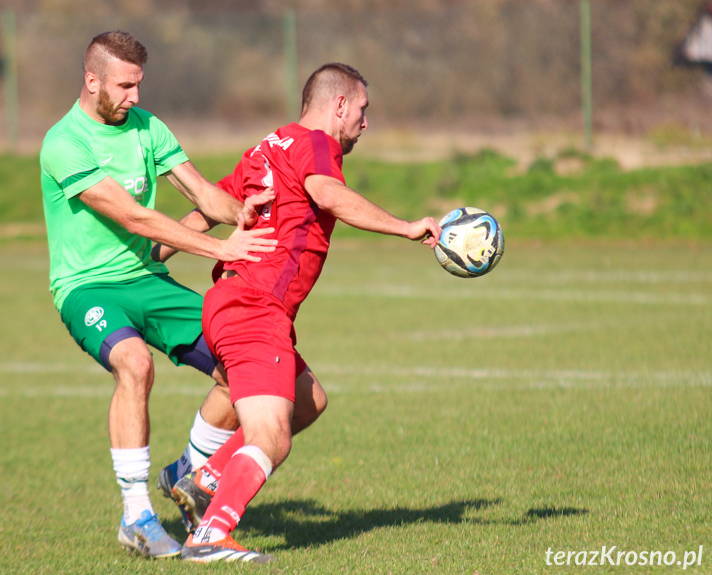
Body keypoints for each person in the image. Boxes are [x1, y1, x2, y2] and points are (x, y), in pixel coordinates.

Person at [164, 62, 443, 564]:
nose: (365, 121)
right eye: (362, 109)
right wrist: (405, 227)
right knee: (272, 436)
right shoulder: (318, 145)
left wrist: (152, 254)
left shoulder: (265, 149)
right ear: (338, 105)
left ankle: (206, 478)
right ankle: (210, 535)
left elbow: (210, 206)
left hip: (233, 300)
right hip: (255, 305)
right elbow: (328, 194)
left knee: (308, 399)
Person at [38, 30, 280, 559]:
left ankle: (188, 472)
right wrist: (221, 249)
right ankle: (138, 516)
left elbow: (201, 192)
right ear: (92, 80)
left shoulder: (148, 127)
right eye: (124, 86)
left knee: (245, 370)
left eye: (139, 85)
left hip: (148, 282)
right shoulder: (64, 143)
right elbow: (134, 215)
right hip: (88, 287)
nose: (135, 98)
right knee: (135, 364)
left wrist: (238, 211)